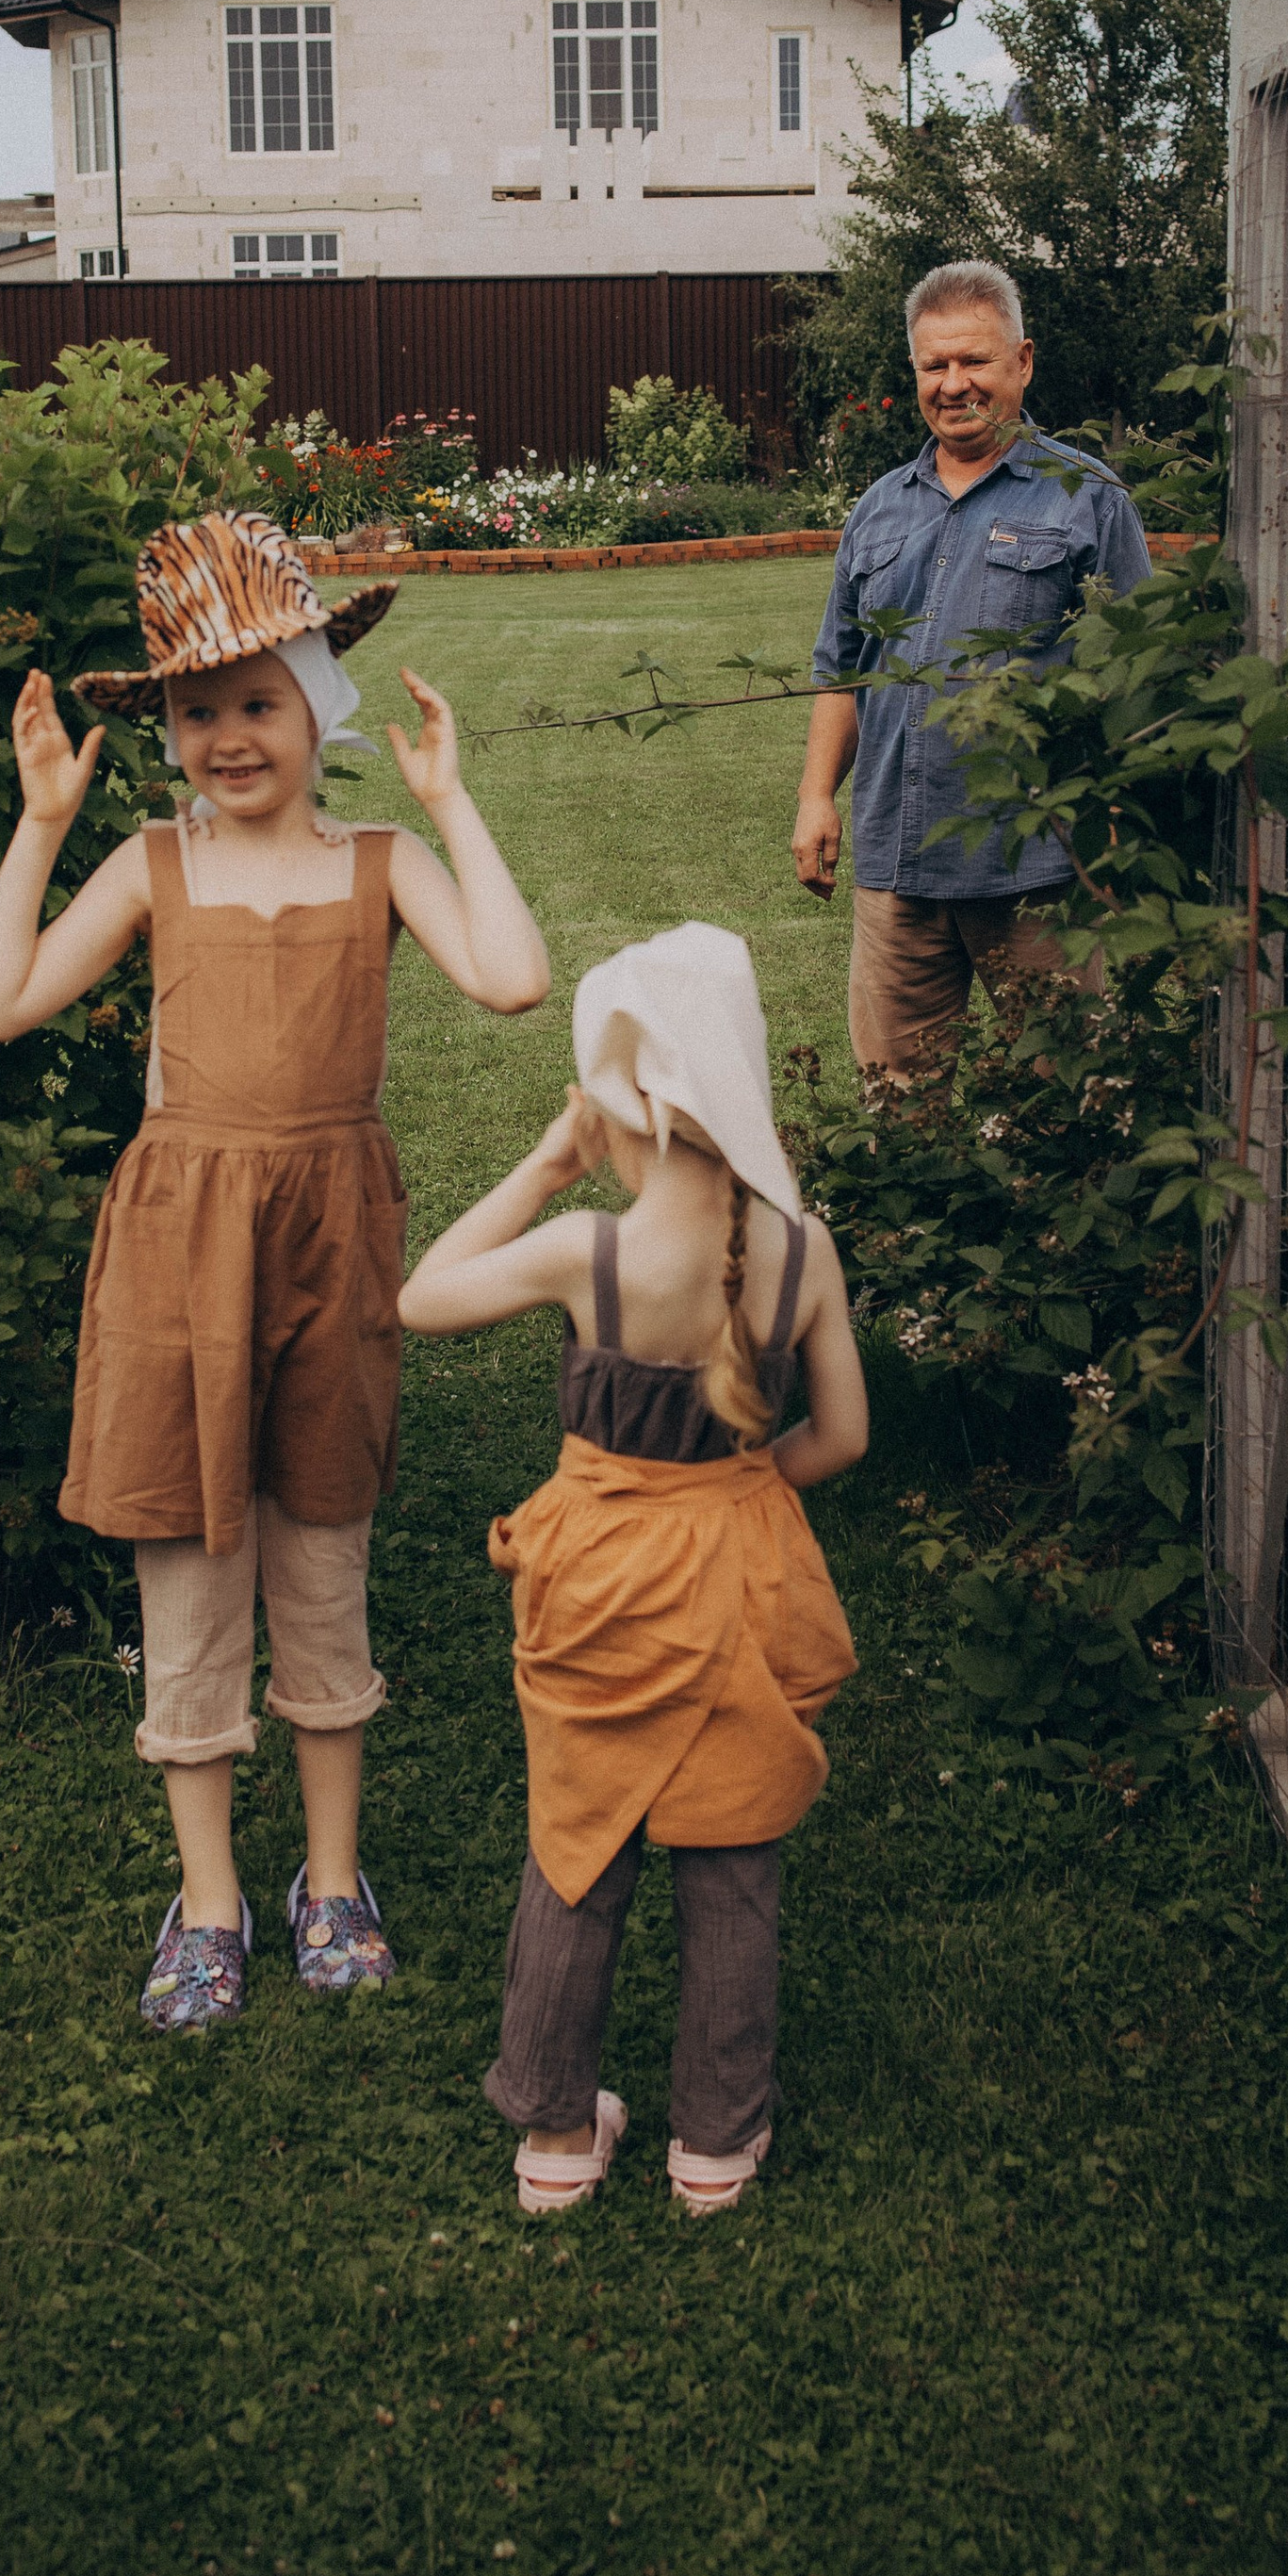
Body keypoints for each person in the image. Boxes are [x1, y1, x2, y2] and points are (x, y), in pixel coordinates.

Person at [0, 510, 549, 2036]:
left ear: (314, 705)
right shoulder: (154, 868)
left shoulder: (380, 862)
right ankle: (211, 1898)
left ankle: (331, 1882)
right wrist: (39, 825)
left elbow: (513, 979)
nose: (231, 735)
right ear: (168, 730)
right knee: (190, 1572)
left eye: (259, 700)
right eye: (199, 709)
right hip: (179, 1259)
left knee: (323, 1565)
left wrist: (453, 801)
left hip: (329, 1245)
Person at [400, 923, 867, 2220]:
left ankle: (555, 2133)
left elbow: (421, 1298)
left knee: (577, 1839)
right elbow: (845, 1436)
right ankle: (715, 2145)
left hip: (601, 1581)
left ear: (634, 1108)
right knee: (734, 1846)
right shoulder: (806, 1250)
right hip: (741, 1578)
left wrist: (544, 1168)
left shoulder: (590, 1256)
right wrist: (743, 1491)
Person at [790, 260, 1150, 1083]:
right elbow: (842, 671)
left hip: (1038, 872)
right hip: (896, 873)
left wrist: (1118, 830)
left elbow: (1137, 680)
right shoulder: (879, 508)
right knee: (899, 1109)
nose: (955, 385)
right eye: (934, 366)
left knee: (1065, 1100)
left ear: (1022, 362)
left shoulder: (1087, 499)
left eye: (975, 361)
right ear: (915, 373)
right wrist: (816, 797)